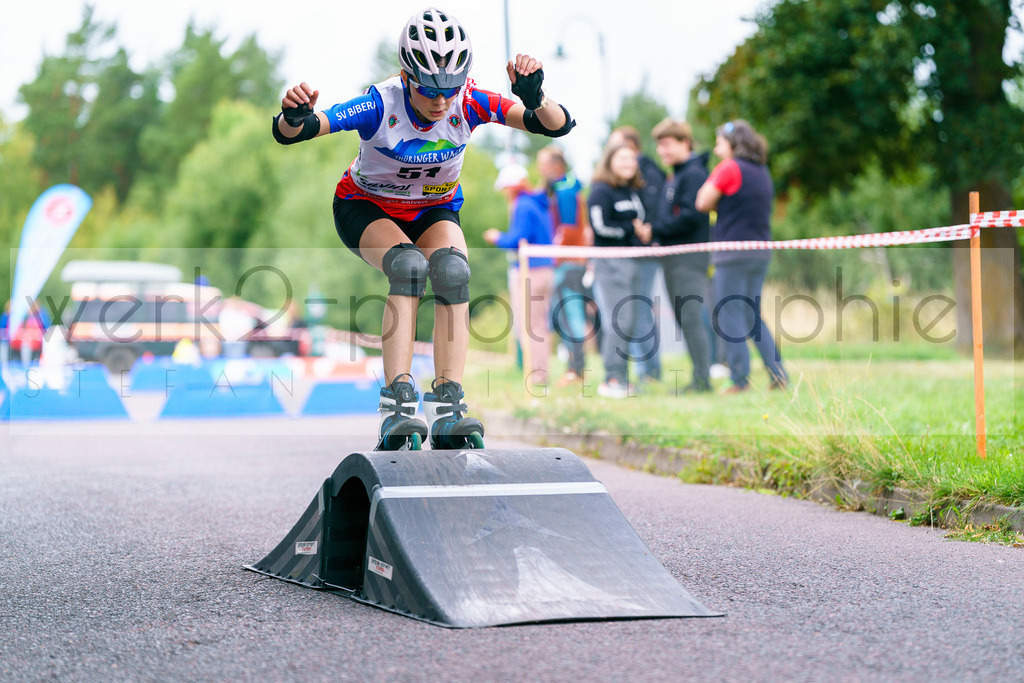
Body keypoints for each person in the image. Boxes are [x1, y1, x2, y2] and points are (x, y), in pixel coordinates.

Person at [274, 8, 575, 449]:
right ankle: (397, 405)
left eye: (449, 90)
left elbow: (557, 125)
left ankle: (449, 407)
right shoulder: (380, 104)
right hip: (365, 206)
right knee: (409, 268)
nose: (441, 102)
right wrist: (294, 116)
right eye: (429, 90)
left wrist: (537, 98)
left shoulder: (468, 101)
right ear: (405, 75)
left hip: (432, 209)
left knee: (454, 274)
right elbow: (294, 133)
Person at [696, 119, 788, 393]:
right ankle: (778, 374)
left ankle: (739, 380)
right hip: (760, 251)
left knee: (728, 313)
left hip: (731, 252)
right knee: (751, 315)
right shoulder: (762, 170)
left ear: (732, 143)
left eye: (719, 143)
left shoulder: (729, 167)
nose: (715, 149)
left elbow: (702, 201)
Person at [642, 118, 713, 393]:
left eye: (667, 145)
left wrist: (655, 230)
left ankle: (703, 381)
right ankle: (699, 378)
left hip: (689, 258)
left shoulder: (693, 174)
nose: (662, 152)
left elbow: (690, 216)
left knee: (692, 318)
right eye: (659, 146)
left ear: (685, 143)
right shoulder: (676, 175)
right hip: (674, 258)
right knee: (685, 318)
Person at [587, 142, 651, 399]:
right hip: (610, 262)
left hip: (633, 260)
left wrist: (643, 232)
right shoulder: (601, 191)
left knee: (632, 321)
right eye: (622, 158)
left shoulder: (632, 191)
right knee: (620, 320)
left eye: (632, 159)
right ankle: (611, 378)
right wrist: (631, 229)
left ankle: (623, 378)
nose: (628, 163)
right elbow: (600, 227)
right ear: (610, 161)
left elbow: (641, 222)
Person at [483, 164, 555, 388]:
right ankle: (541, 372)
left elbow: (517, 240)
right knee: (540, 324)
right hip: (546, 270)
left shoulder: (522, 205)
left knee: (529, 325)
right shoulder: (539, 203)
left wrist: (496, 237)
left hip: (530, 271)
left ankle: (536, 376)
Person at [606, 126, 665, 383]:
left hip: (644, 253)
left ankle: (649, 371)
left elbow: (651, 213)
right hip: (628, 255)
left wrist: (645, 231)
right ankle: (643, 370)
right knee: (632, 312)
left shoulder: (647, 175)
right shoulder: (623, 183)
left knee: (638, 311)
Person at [536, 145, 590, 386]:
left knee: (571, 315)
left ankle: (576, 371)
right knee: (566, 315)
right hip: (568, 260)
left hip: (568, 261)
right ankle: (574, 368)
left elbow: (567, 229)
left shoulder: (566, 190)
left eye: (543, 165)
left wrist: (553, 255)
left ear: (556, 166)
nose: (540, 170)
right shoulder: (564, 188)